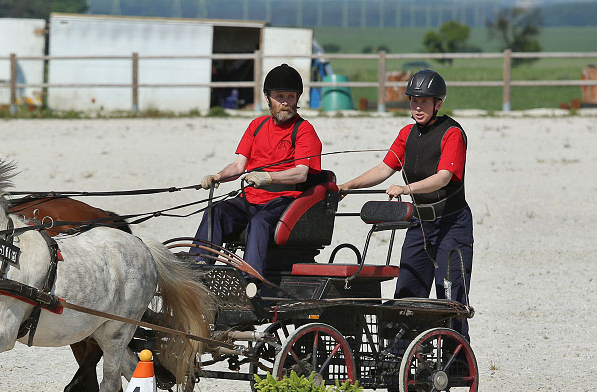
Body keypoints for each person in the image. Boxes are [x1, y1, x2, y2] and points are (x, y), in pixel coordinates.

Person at [338, 69, 473, 341]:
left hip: (451, 223)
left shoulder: (452, 133)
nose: (418, 106)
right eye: (413, 100)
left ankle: (455, 357)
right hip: (420, 223)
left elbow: (443, 177)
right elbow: (383, 169)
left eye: (424, 101)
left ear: (438, 103)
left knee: (450, 292)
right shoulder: (406, 134)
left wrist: (406, 188)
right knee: (408, 287)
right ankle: (403, 353)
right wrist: (347, 186)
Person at [191, 64, 323, 280]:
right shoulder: (257, 125)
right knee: (216, 212)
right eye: (279, 96)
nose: (285, 103)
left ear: (297, 98)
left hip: (284, 200)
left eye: (290, 97)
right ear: (267, 97)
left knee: (259, 223)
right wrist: (218, 177)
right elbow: (238, 167)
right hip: (250, 199)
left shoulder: (304, 130)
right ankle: (198, 268)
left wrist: (270, 177)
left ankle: (251, 280)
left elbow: (301, 174)